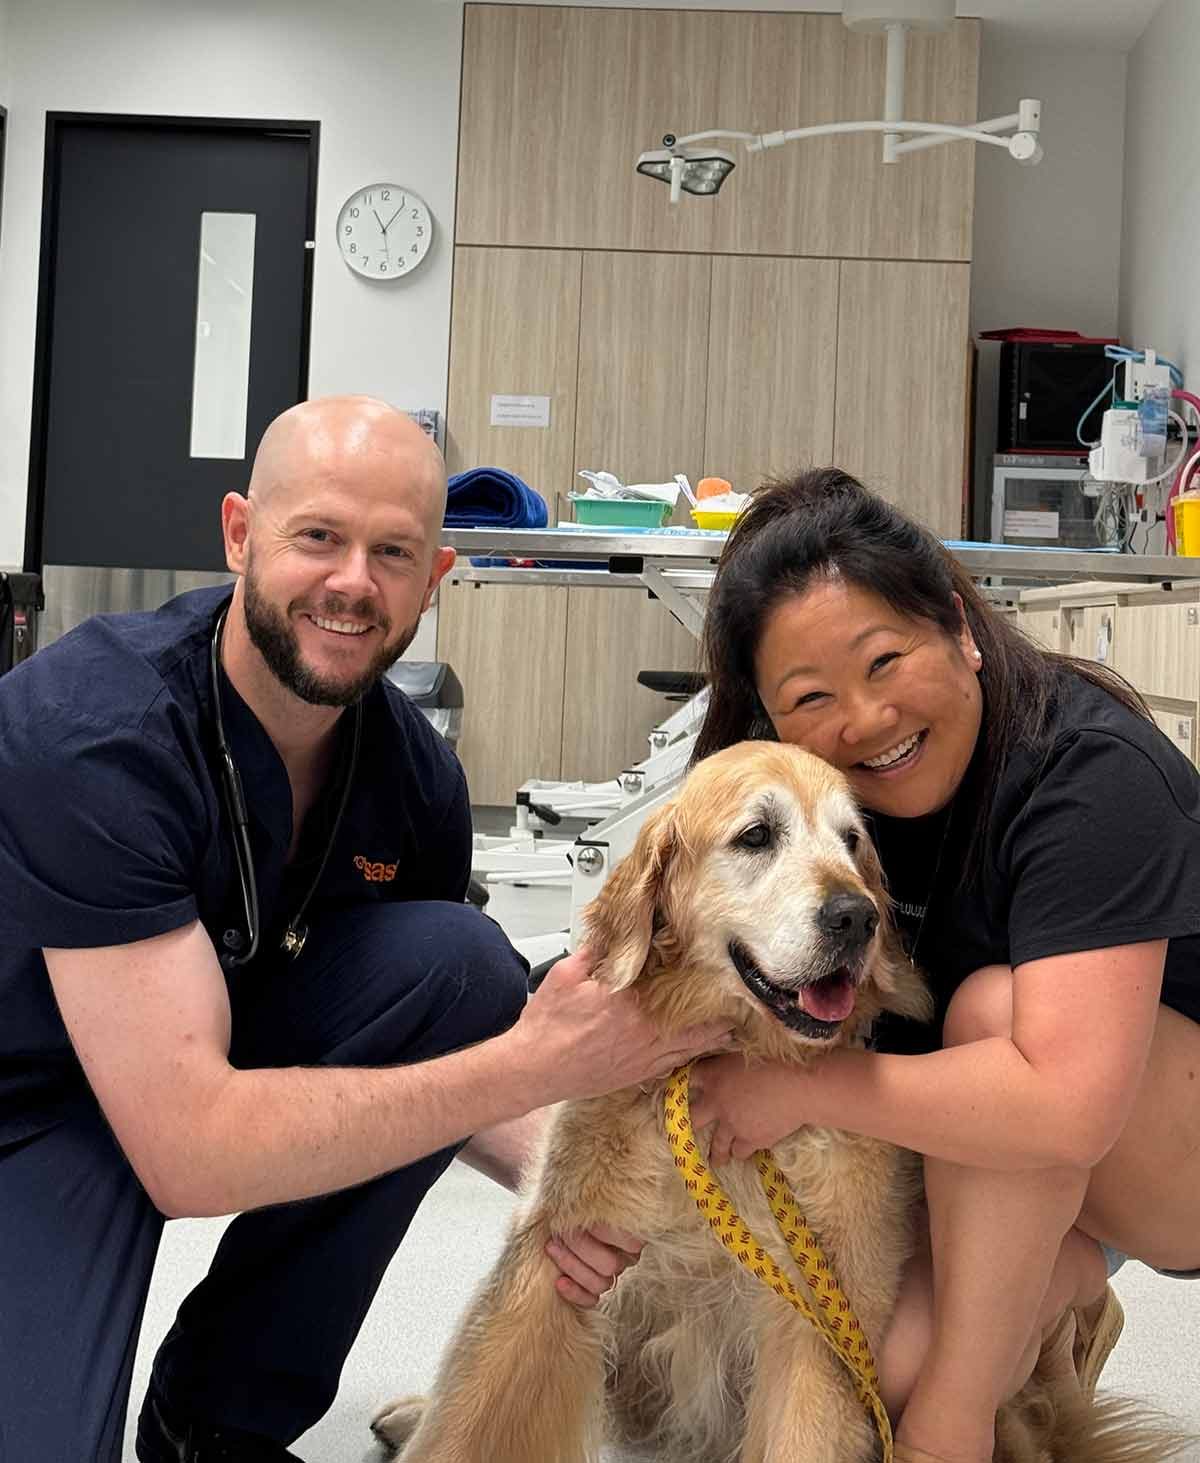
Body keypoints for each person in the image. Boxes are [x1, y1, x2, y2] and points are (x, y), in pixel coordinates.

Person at [0, 395, 731, 1463]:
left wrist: (591, 1197)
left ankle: (219, 1418)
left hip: (208, 1048)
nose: (353, 582)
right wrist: (537, 1060)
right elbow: (187, 1150)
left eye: (393, 552)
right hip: (32, 1095)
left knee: (458, 967)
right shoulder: (93, 731)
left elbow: (433, 1051)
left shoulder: (413, 778)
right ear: (241, 534)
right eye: (318, 537)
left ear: (435, 578)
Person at [683, 466, 1200, 1463]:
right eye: (812, 697)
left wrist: (802, 1090)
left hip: (1156, 1147)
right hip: (967, 1148)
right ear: (769, 719)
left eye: (885, 661)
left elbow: (1064, 1105)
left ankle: (951, 1431)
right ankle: (1046, 1286)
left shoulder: (1092, 775)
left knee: (996, 1015)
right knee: (869, 1360)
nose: (865, 719)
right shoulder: (803, 798)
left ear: (960, 627)